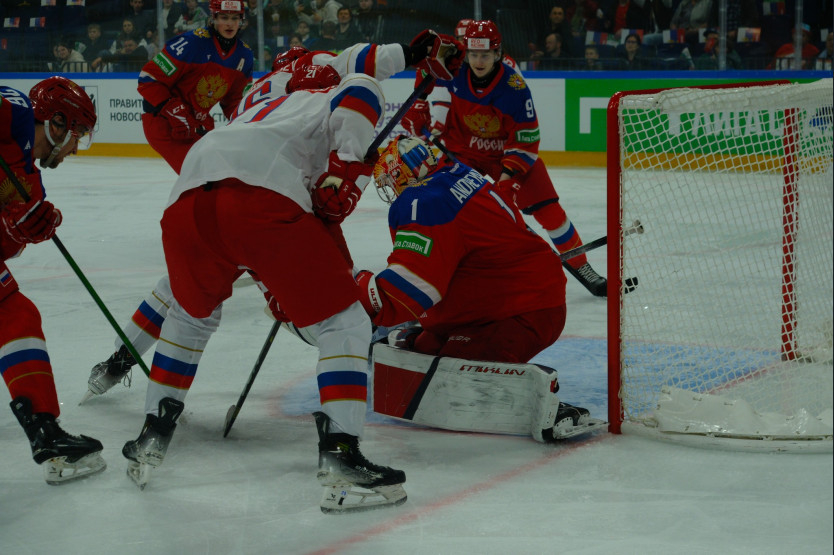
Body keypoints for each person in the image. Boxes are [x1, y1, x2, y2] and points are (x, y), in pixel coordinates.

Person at [116, 34, 462, 510]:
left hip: (188, 200)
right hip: (261, 201)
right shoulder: (321, 93)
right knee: (345, 324)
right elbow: (362, 84)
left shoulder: (258, 101)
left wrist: (278, 282)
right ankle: (341, 454)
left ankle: (153, 431)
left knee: (189, 316)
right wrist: (345, 167)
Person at [355, 136, 595, 441]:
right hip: (503, 299)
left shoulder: (424, 201)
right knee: (423, 354)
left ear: (405, 174)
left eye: (391, 181)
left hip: (521, 310)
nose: (391, 190)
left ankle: (545, 406)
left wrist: (361, 296)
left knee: (455, 377)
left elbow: (413, 286)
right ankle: (424, 337)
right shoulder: (456, 172)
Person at [84, 0, 254, 399]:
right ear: (213, 18)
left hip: (196, 126)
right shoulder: (190, 44)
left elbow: (235, 103)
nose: (229, 23)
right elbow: (148, 78)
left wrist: (243, 124)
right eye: (224, 17)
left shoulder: (244, 58)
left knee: (220, 186)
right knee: (211, 184)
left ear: (242, 21)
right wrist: (172, 108)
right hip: (163, 125)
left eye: (235, 18)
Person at [403, 20, 608, 297]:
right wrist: (418, 101)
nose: (478, 61)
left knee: (549, 210)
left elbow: (526, 138)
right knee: (446, 206)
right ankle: (446, 267)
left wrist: (507, 180)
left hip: (506, 154)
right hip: (463, 152)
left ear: (497, 53)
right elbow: (428, 64)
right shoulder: (455, 67)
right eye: (474, 54)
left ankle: (582, 266)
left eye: (485, 55)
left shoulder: (513, 87)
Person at [0, 76, 106, 484]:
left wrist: (18, 229)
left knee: (16, 314)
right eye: (78, 135)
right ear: (58, 123)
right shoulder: (16, 114)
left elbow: (4, 247)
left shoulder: (30, 186)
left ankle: (45, 431)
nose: (76, 148)